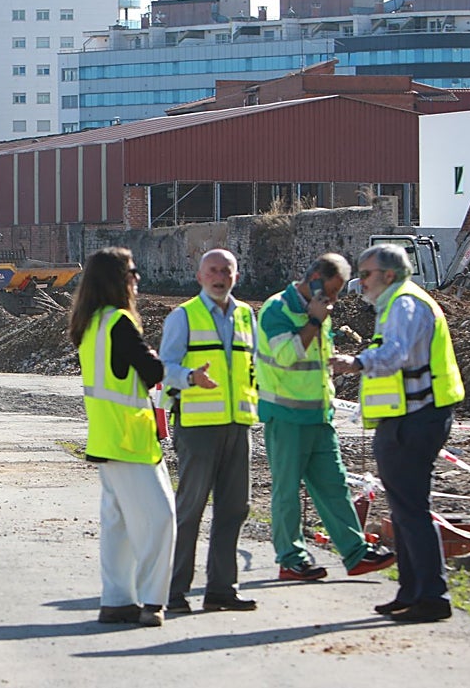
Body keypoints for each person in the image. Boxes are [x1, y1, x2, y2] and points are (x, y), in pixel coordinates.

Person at [330, 243, 463, 623]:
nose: (361, 282)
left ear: (388, 275)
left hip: (415, 418)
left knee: (411, 509)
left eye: (367, 274)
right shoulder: (397, 303)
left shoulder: (403, 304)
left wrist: (353, 362)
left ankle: (432, 596)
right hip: (408, 417)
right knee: (404, 509)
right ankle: (411, 591)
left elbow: (396, 354)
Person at [258, 253, 396, 584]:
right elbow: (288, 356)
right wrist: (315, 321)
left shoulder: (322, 312)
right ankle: (291, 559)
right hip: (286, 416)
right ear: (316, 277)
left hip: (319, 416)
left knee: (334, 486)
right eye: (332, 291)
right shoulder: (277, 309)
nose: (334, 300)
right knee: (287, 491)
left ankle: (355, 552)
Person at [68, 246, 175, 628]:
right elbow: (152, 370)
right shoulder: (119, 322)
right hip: (130, 440)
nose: (137, 278)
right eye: (132, 271)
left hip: (106, 437)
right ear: (117, 279)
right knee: (162, 518)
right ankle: (151, 599)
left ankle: (117, 600)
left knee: (117, 524)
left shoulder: (90, 323)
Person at [161, 249, 259, 614]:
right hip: (198, 428)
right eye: (213, 271)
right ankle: (173, 592)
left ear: (236, 276)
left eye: (227, 271)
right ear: (200, 276)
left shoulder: (248, 316)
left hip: (238, 425)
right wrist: (190, 378)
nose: (220, 277)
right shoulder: (183, 316)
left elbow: (257, 367)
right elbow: (164, 367)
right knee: (190, 511)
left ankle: (221, 590)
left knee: (235, 508)